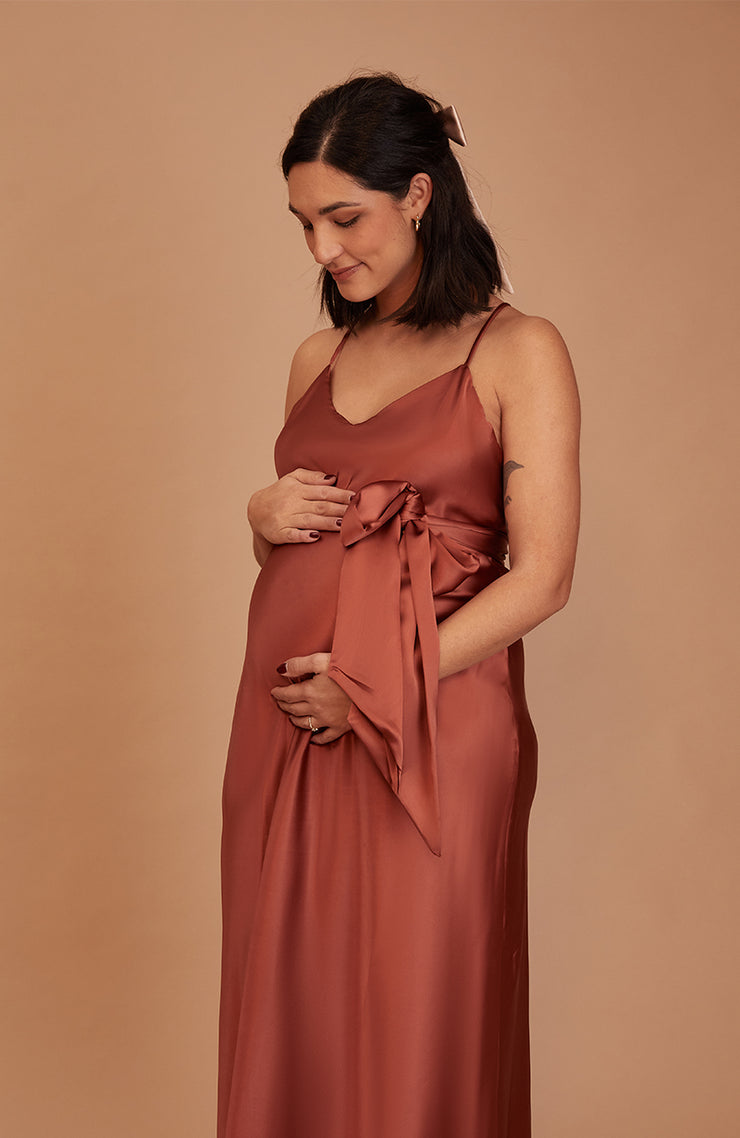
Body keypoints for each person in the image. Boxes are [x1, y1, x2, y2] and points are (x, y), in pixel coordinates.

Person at [218, 73, 580, 1138]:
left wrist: (372, 681)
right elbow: (288, 553)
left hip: (430, 726)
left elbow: (542, 574)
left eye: (344, 218)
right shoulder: (316, 358)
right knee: (292, 1002)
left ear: (416, 195)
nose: (322, 251)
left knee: (423, 1005)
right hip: (286, 736)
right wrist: (260, 510)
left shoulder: (517, 350)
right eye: (304, 224)